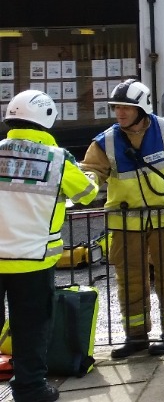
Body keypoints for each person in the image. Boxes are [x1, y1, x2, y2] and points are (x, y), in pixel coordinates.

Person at [80, 78, 164, 358]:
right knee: (130, 280)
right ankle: (136, 338)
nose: (120, 113)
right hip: (126, 224)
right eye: (116, 108)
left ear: (142, 108)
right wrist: (85, 180)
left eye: (126, 107)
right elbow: (90, 171)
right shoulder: (105, 142)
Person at [1, 91, 98, 402]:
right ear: (47, 119)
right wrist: (90, 174)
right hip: (34, 261)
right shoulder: (57, 159)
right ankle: (30, 389)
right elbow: (86, 193)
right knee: (30, 328)